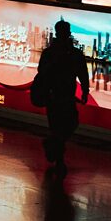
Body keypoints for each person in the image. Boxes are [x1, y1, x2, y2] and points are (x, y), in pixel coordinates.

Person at [36, 19, 89, 176]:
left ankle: (54, 148)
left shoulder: (49, 52)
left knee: (57, 127)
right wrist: (85, 91)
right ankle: (57, 156)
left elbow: (41, 71)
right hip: (63, 96)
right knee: (68, 124)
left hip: (53, 96)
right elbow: (83, 74)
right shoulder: (73, 53)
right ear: (68, 33)